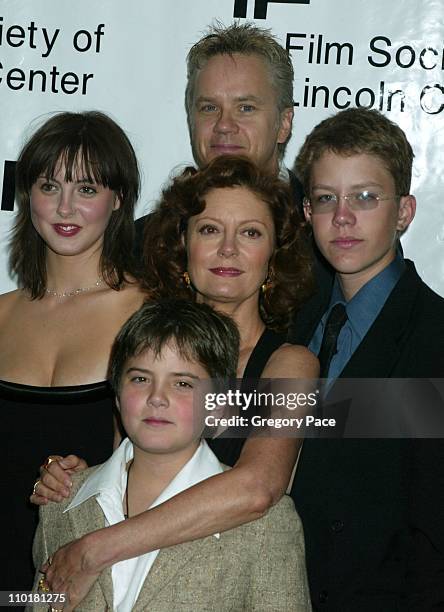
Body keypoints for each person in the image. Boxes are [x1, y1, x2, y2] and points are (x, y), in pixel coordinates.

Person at [33, 156, 319, 609]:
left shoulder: (290, 364)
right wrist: (73, 485)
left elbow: (259, 488)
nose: (228, 249)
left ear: (274, 255)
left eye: (250, 232)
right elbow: (125, 468)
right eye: (209, 229)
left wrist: (95, 548)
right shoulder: (140, 343)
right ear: (182, 244)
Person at [32, 299, 312, 611]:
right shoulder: (61, 500)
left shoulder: (269, 525)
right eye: (140, 378)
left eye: (182, 383)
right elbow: (33, 601)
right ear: (116, 392)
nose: (156, 398)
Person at [288, 107, 444, 610]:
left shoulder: (436, 337)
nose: (343, 218)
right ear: (307, 212)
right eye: (327, 198)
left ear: (404, 211)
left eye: (365, 197)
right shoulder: (287, 324)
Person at [0, 111, 145, 590]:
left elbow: (170, 463)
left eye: (86, 189)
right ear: (27, 196)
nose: (65, 208)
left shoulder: (149, 316)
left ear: (118, 199)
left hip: (84, 574)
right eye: (49, 186)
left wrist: (99, 474)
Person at [135, 22, 332, 293]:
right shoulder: (140, 244)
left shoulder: (330, 239)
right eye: (209, 107)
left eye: (246, 108)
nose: (224, 125)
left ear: (284, 124)